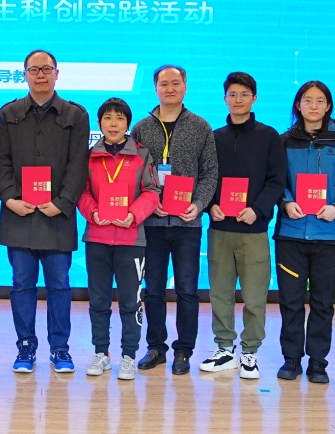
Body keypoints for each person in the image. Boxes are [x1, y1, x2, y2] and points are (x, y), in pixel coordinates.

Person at [0, 49, 90, 374]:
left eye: (46, 69)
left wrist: (62, 202)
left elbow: (78, 164)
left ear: (57, 73)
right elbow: (1, 160)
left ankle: (60, 349)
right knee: (22, 284)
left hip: (57, 216)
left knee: (59, 285)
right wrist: (9, 198)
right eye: (34, 70)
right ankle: (25, 347)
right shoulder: (9, 113)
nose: (40, 75)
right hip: (18, 214)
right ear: (24, 74)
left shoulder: (75, 115)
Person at [273, 81, 335, 384]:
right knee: (291, 302)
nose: (313, 106)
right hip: (291, 235)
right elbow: (275, 181)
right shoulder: (284, 141)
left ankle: (318, 363)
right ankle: (291, 359)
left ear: (328, 106)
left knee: (323, 303)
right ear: (298, 105)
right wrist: (286, 202)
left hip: (329, 235)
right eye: (307, 100)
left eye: (320, 100)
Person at [130, 65, 218, 375]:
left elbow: (210, 172)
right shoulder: (141, 128)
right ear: (155, 88)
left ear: (185, 86)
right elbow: (133, 173)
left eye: (175, 83)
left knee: (187, 290)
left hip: (187, 223)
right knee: (153, 289)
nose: (170, 88)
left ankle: (184, 350)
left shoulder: (201, 126)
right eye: (164, 84)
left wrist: (199, 204)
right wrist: (147, 204)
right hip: (152, 224)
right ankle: (156, 347)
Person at [204, 71, 286, 379]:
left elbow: (277, 181)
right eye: (232, 94)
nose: (238, 100)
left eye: (244, 94)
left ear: (254, 98)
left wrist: (258, 210)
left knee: (254, 297)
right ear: (224, 98)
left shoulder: (269, 136)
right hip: (220, 229)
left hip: (253, 230)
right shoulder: (214, 137)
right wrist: (210, 205)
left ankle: (250, 352)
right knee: (220, 294)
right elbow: (207, 177)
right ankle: (225, 349)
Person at [77, 98, 160, 380]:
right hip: (97, 237)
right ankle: (101, 353)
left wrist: (133, 215)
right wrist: (93, 212)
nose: (113, 124)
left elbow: (152, 192)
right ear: (99, 123)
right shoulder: (89, 156)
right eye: (108, 118)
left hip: (131, 239)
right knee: (99, 301)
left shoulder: (141, 155)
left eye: (120, 118)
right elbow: (81, 192)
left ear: (128, 123)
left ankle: (129, 356)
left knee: (130, 302)